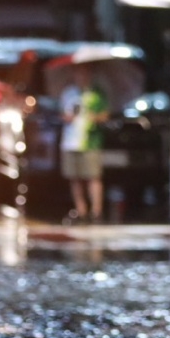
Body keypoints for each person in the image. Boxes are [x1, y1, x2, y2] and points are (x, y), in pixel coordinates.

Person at [59, 64, 109, 224]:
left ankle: (96, 211)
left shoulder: (96, 94)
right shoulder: (68, 93)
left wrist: (95, 117)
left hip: (90, 142)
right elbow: (62, 114)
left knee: (93, 176)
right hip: (70, 141)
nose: (82, 77)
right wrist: (68, 117)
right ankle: (81, 210)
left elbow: (105, 115)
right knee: (74, 177)